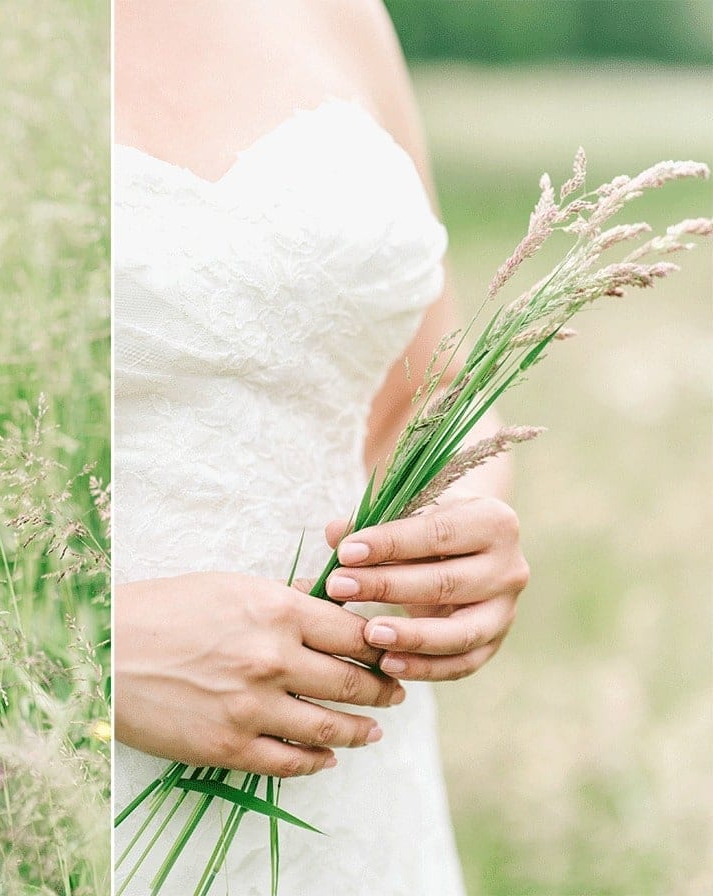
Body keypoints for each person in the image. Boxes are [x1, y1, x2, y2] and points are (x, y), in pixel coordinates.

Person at [113, 1, 529, 892]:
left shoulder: (341, 13)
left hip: (360, 803)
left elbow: (437, 384)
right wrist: (96, 657)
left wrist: (468, 508)